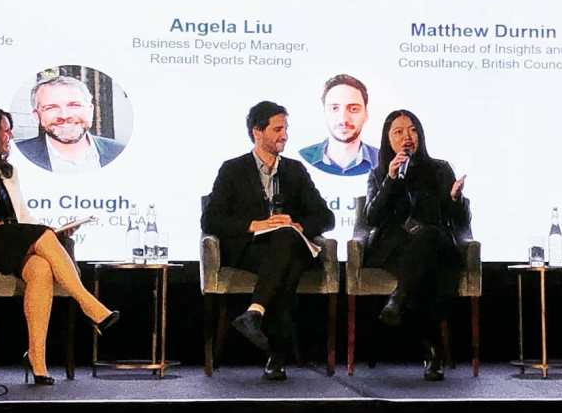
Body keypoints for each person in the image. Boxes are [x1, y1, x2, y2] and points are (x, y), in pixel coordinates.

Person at [201, 101, 334, 380]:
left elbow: (326, 217)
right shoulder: (233, 169)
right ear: (257, 132)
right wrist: (256, 225)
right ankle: (277, 355)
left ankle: (255, 312)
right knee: (287, 267)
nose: (284, 135)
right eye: (277, 129)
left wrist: (297, 224)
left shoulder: (295, 170)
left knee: (285, 239)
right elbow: (211, 220)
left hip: (290, 246)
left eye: (285, 129)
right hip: (252, 250)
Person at [0, 106, 120, 385]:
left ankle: (37, 359)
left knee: (40, 268)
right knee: (42, 238)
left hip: (9, 242)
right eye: (4, 131)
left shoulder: (8, 172)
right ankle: (90, 306)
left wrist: (55, 230)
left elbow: (23, 217)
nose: (9, 137)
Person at [359, 109, 470, 381]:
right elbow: (371, 218)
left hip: (434, 243)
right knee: (425, 267)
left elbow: (459, 221)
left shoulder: (440, 169)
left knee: (428, 239)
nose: (407, 137)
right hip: (395, 247)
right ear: (388, 140)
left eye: (412, 130)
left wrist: (455, 199)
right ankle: (433, 349)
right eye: (398, 132)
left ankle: (399, 298)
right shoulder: (379, 173)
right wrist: (391, 180)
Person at [15, 76, 125, 173]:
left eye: (74, 105)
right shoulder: (16, 156)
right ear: (36, 115)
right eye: (51, 108)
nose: (64, 115)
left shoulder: (119, 151)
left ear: (90, 110)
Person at [299, 74, 379, 176]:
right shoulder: (302, 158)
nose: (343, 119)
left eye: (354, 109)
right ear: (324, 113)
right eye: (334, 108)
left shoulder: (383, 160)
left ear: (366, 114)